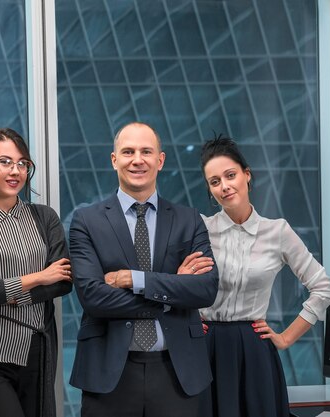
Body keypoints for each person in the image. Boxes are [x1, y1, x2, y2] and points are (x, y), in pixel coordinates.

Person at [68, 121, 219, 417]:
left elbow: (205, 289)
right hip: (109, 373)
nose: (137, 159)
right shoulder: (87, 221)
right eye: (128, 152)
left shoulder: (189, 220)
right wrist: (171, 290)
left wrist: (135, 279)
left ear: (160, 160)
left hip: (178, 374)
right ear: (114, 160)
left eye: (146, 151)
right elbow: (93, 297)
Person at [198, 135, 330, 417]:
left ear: (247, 175)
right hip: (205, 347)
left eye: (230, 175)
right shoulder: (199, 229)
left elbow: (323, 289)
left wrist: (286, 338)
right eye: (215, 182)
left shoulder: (278, 232)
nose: (224, 186)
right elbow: (171, 283)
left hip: (254, 350)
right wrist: (186, 318)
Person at [0, 128, 73, 417]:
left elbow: (63, 281)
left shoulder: (45, 218)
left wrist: (1, 292)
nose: (16, 171)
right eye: (5, 162)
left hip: (37, 350)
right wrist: (38, 277)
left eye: (22, 163)